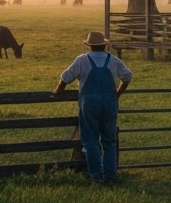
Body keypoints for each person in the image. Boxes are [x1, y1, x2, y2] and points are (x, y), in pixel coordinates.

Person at [53, 31, 132, 183]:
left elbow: (65, 77)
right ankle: (110, 176)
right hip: (109, 104)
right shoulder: (113, 60)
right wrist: (117, 93)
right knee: (109, 142)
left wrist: (57, 91)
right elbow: (127, 76)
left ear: (89, 46)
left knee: (90, 141)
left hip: (89, 105)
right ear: (104, 45)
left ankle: (96, 176)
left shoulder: (82, 60)